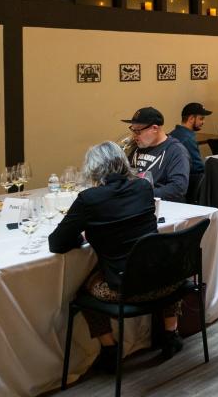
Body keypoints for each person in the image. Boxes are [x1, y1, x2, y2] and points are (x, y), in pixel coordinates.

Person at [49, 142, 186, 371]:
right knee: (162, 263)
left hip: (125, 288)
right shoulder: (143, 187)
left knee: (80, 288)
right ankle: (171, 335)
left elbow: (56, 243)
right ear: (123, 163)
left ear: (92, 169)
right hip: (168, 282)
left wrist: (82, 238)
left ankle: (110, 349)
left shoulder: (89, 199)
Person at [123, 107, 190, 203]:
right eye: (133, 130)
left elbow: (178, 188)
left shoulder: (176, 151)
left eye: (138, 131)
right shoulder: (135, 147)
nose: (134, 135)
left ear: (154, 128)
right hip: (134, 202)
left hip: (161, 206)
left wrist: (142, 194)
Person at [168, 102, 212, 197]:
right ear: (191, 118)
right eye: (201, 118)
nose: (203, 122)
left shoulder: (172, 133)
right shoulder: (188, 139)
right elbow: (198, 167)